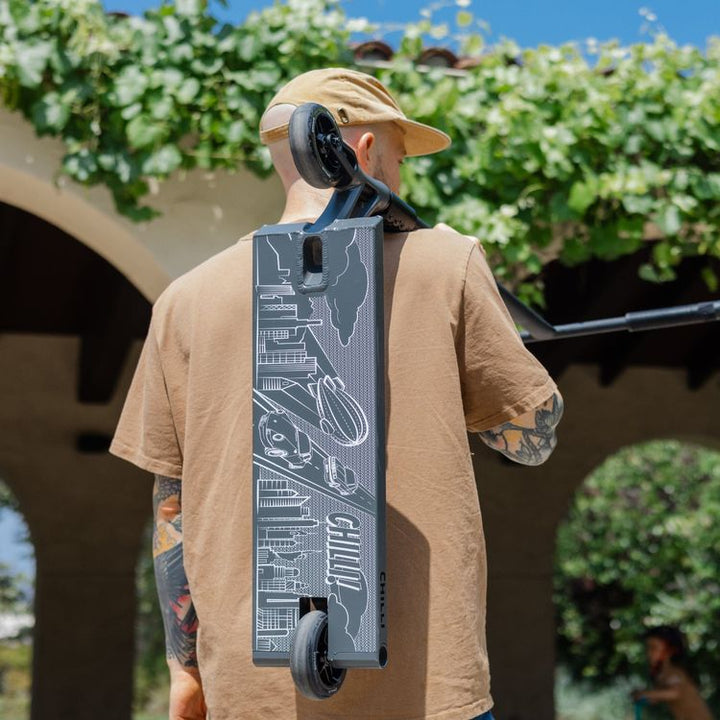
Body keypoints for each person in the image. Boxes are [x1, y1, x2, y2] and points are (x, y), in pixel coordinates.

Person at [111, 67, 563, 720]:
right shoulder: (444, 262)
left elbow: (171, 506)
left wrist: (185, 667)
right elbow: (531, 440)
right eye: (400, 159)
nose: (401, 178)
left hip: (250, 692)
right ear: (364, 150)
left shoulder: (185, 300)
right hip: (427, 691)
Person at [632, 625, 714, 720]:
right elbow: (661, 695)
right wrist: (647, 696)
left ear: (670, 650)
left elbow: (675, 692)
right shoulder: (662, 675)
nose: (649, 653)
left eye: (654, 648)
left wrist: (647, 694)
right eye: (647, 648)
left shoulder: (673, 673)